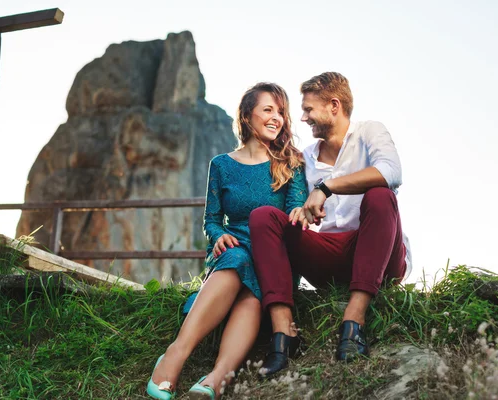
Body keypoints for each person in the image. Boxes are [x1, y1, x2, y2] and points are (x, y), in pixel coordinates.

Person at [146, 82, 307, 400]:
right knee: (236, 257)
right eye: (268, 109)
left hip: (272, 253)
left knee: (252, 288)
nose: (277, 118)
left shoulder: (290, 163)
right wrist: (219, 236)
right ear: (247, 116)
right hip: (233, 249)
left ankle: (217, 377)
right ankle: (175, 355)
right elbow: (212, 221)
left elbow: (293, 219)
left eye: (281, 112)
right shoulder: (220, 165)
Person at [249, 72, 412, 377]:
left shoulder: (370, 132)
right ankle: (284, 335)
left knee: (380, 195)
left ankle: (354, 321)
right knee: (263, 217)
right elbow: (297, 203)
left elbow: (391, 172)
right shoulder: (305, 158)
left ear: (333, 105)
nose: (303, 116)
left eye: (309, 109)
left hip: (380, 255)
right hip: (331, 255)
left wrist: (327, 188)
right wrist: (301, 212)